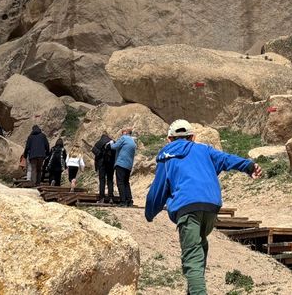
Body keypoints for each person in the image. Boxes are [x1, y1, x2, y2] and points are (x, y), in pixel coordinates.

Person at [145, 119, 262, 295]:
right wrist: (248, 166)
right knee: (200, 247)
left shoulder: (167, 155)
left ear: (169, 139)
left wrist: (150, 212)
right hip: (210, 207)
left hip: (187, 207)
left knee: (192, 259)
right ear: (192, 137)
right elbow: (226, 159)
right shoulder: (203, 149)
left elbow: (158, 188)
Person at [110, 127, 138, 206]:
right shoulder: (133, 141)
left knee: (120, 183)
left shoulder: (123, 138)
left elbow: (114, 147)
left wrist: (111, 142)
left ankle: (123, 202)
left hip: (121, 163)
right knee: (126, 183)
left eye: (122, 131)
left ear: (125, 132)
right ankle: (129, 201)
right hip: (129, 165)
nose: (121, 133)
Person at [92, 132, 116, 203]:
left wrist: (96, 166)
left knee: (102, 180)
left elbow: (95, 155)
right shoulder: (112, 142)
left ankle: (102, 197)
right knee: (110, 180)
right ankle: (111, 197)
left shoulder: (98, 143)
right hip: (110, 164)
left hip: (101, 164)